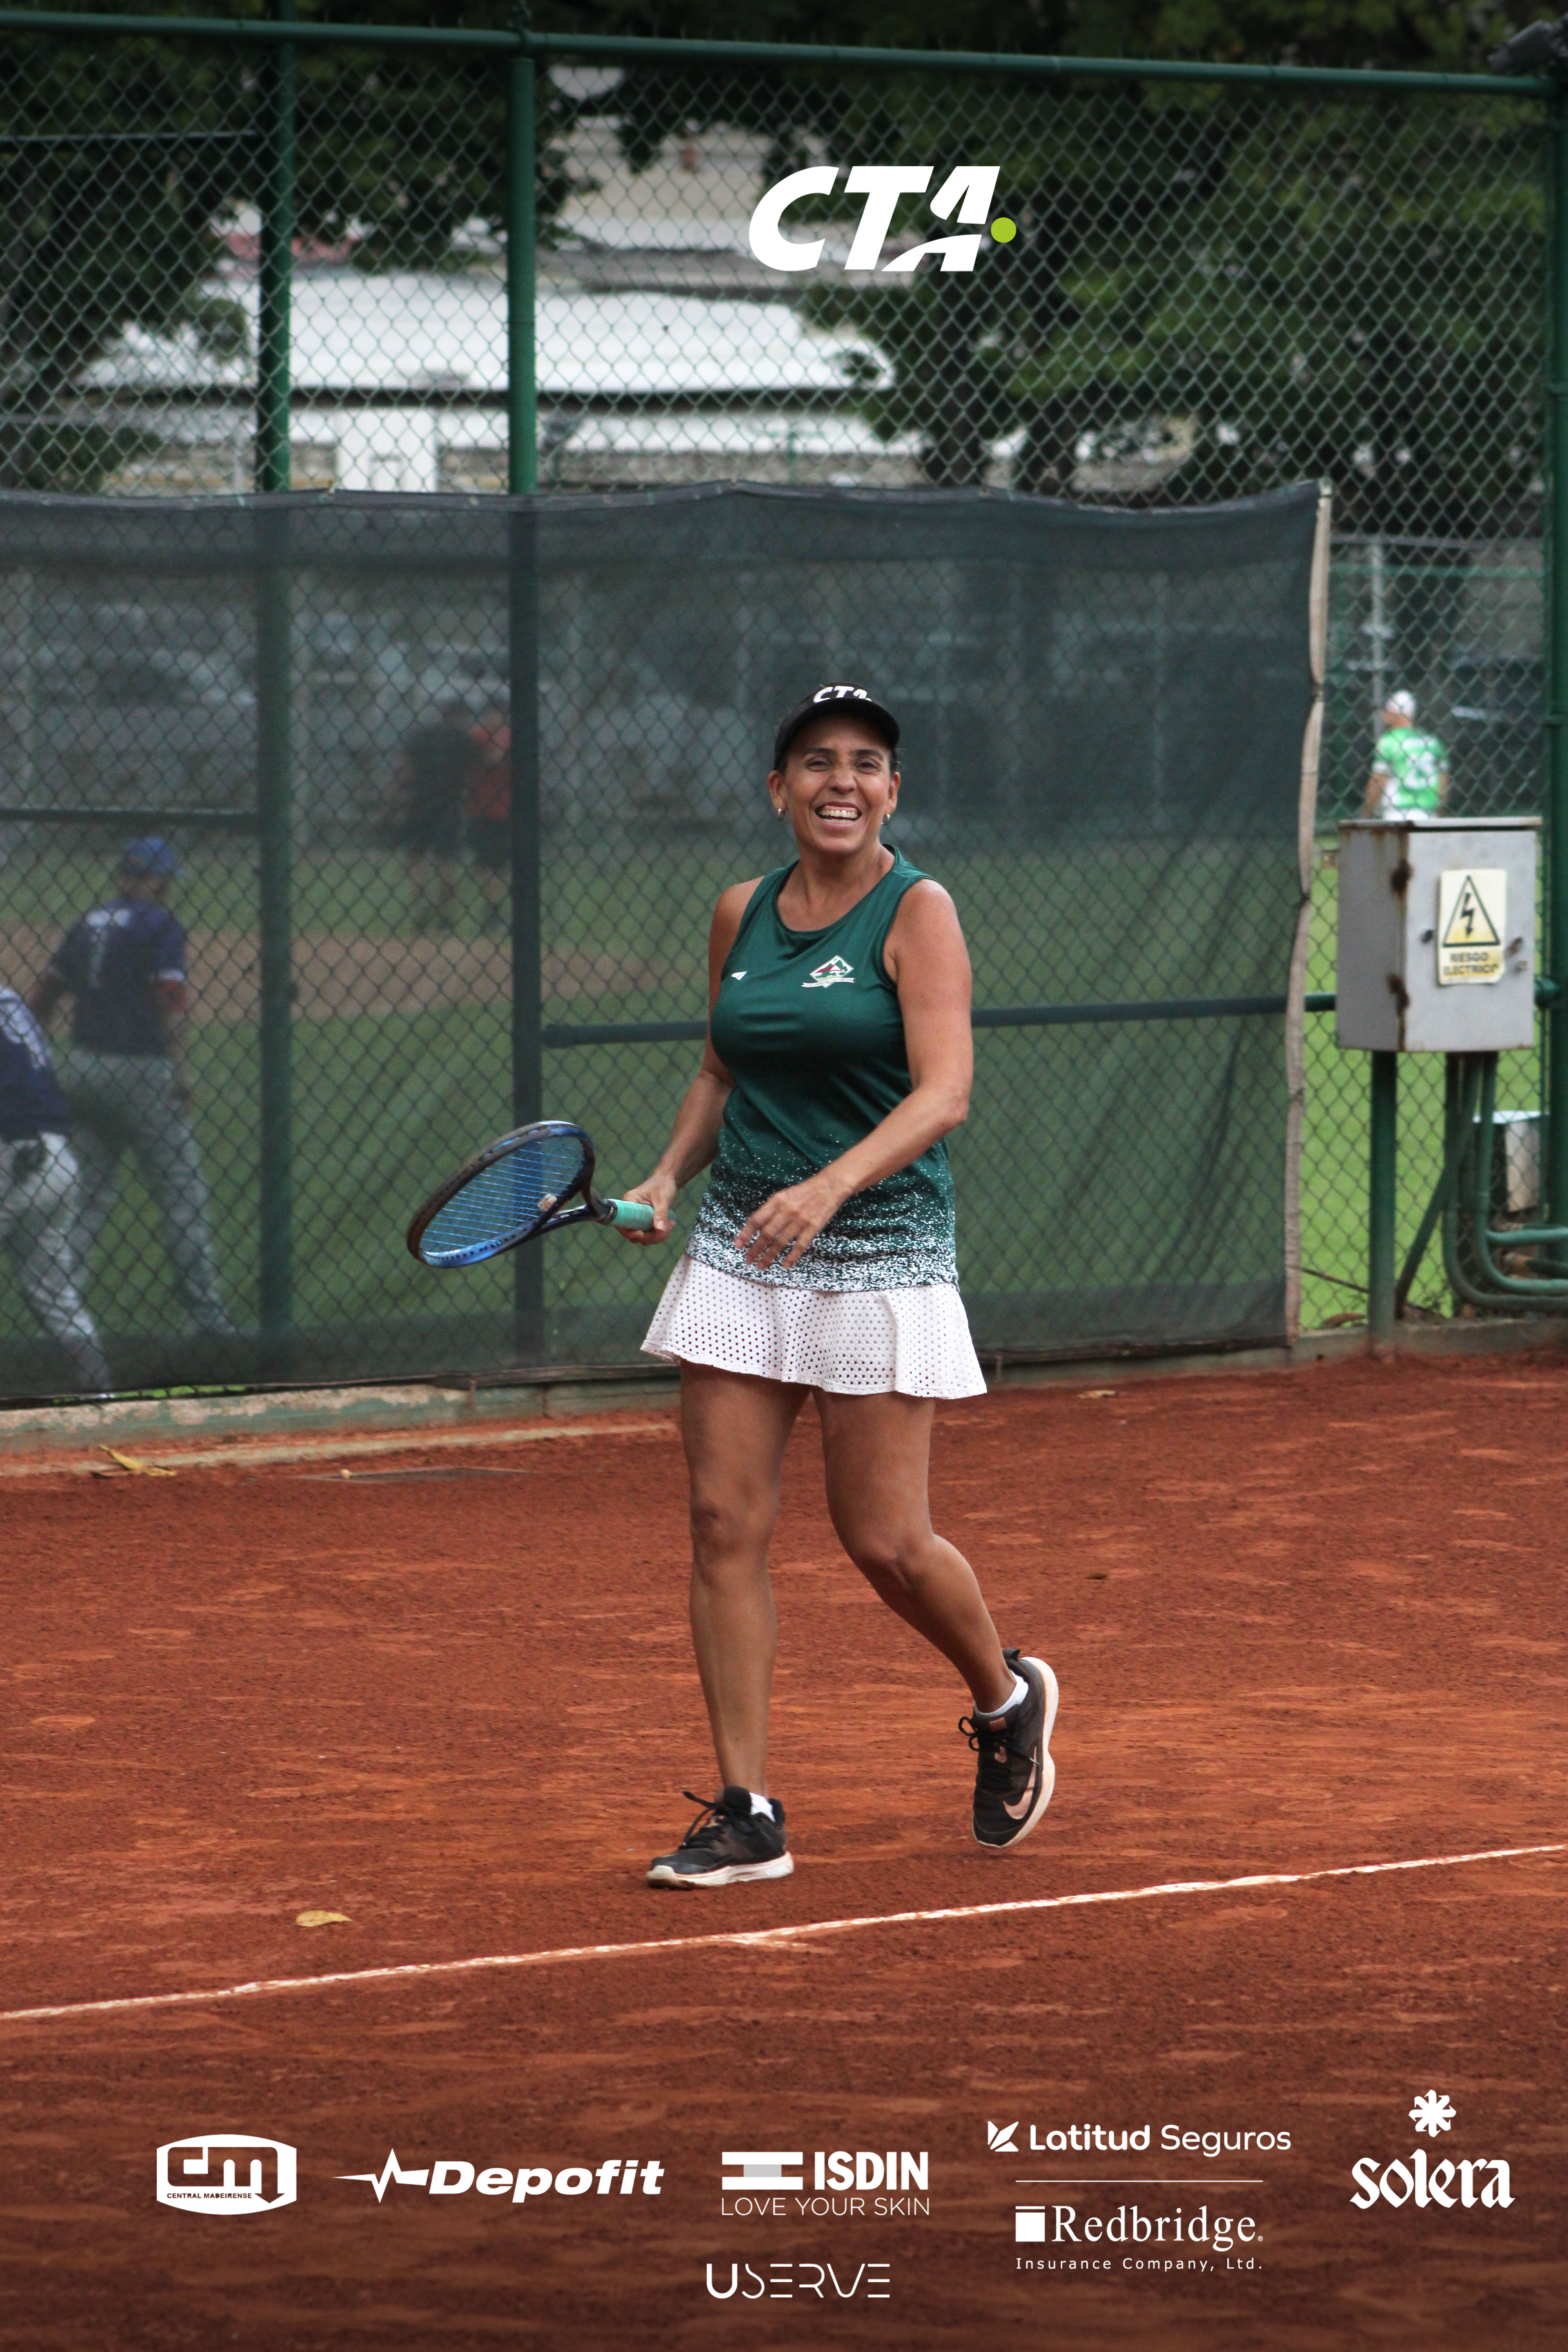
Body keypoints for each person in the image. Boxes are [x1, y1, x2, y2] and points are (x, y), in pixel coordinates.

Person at [621, 681, 1056, 1889]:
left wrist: (827, 1187)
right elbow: (722, 1067)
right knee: (722, 1522)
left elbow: (945, 1091)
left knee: (884, 1539)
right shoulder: (739, 911)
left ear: (892, 791)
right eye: (817, 761)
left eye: (866, 762)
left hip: (880, 1250)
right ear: (779, 789)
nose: (841, 781)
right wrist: (666, 1172)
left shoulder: (919, 911)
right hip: (742, 1249)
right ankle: (747, 1809)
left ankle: (1006, 1694)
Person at [29, 837, 234, 1339]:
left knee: (85, 1195)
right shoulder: (160, 925)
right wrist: (182, 1073)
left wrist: (38, 1059)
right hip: (142, 1071)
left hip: (82, 1068)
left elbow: (45, 994)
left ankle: (60, 1315)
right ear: (158, 881)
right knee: (181, 1193)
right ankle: (206, 1317)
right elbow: (170, 998)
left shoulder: (87, 923)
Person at [0, 984, 110, 1392]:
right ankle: (102, 1395)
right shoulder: (8, 999)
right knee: (57, 1299)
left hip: (10, 1155)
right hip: (57, 1162)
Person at [390, 701, 473, 930]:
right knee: (446, 859)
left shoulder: (421, 734)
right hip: (451, 803)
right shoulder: (463, 739)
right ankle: (445, 913)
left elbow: (404, 769)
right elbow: (475, 773)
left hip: (420, 800)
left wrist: (391, 800)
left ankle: (422, 903)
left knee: (415, 855)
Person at [1365, 689, 1449, 819]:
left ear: (1395, 713)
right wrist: (1439, 810)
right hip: (1429, 813)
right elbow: (1443, 782)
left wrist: (1367, 810)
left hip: (1398, 812)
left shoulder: (1389, 742)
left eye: (1388, 712)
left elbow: (1379, 780)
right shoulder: (1432, 742)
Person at [466, 707, 512, 933]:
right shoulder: (480, 736)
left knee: (494, 866)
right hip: (482, 811)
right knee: (487, 866)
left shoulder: (487, 736)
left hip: (501, 812)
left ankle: (494, 912)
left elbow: (493, 760)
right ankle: (493, 911)